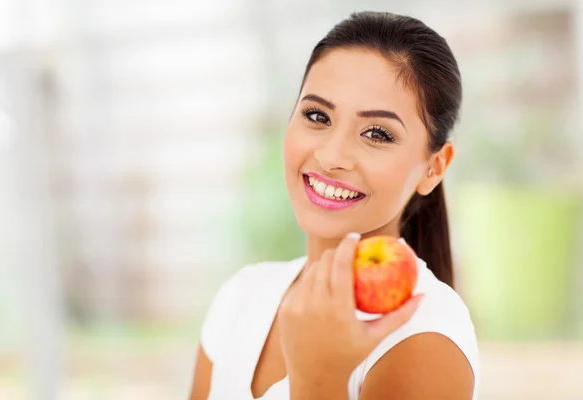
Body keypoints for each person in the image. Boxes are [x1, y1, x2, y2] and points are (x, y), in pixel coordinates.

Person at [189, 11, 479, 400]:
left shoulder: (425, 336)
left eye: (377, 133)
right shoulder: (241, 296)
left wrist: (319, 380)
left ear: (433, 167)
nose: (331, 156)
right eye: (317, 115)